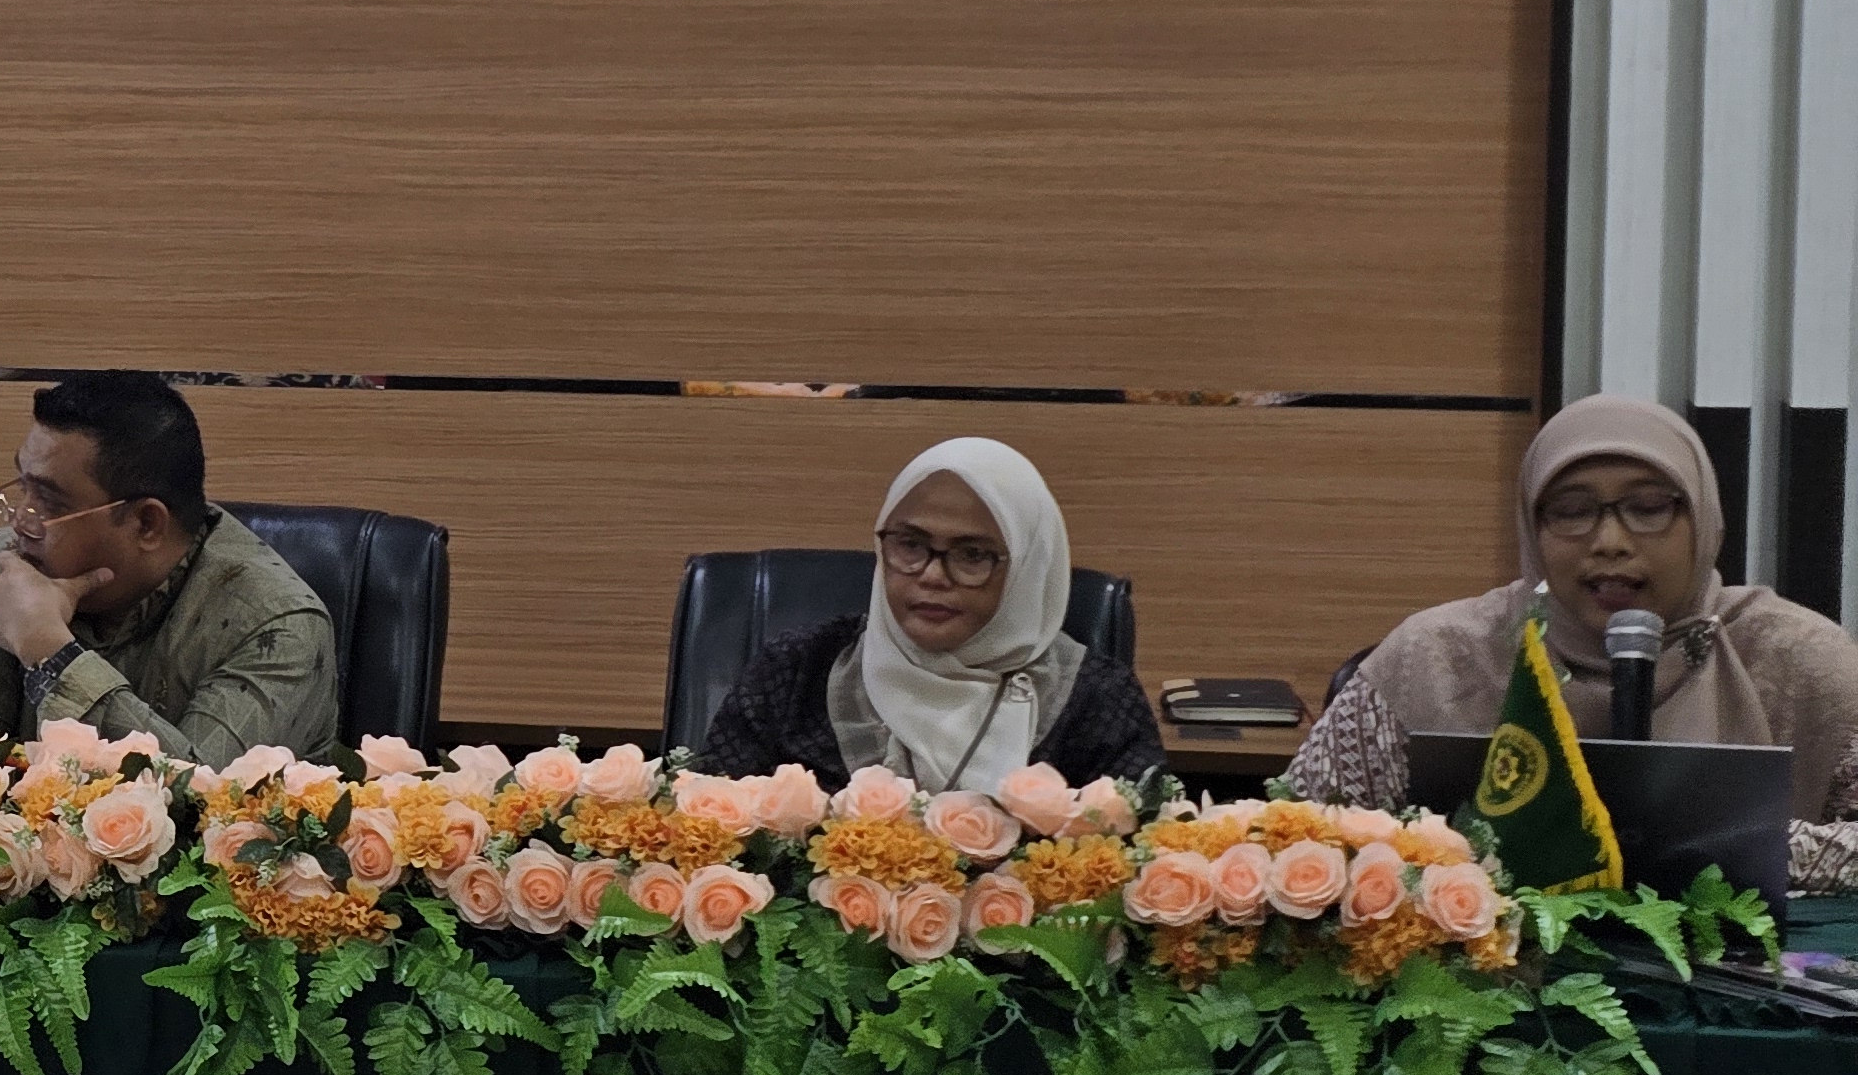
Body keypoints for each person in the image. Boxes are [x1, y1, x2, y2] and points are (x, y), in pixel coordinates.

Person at [1289, 393, 1858, 886]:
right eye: (1570, 512)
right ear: (1532, 528)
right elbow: (1290, 833)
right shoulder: (1439, 656)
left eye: (1648, 508)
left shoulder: (1796, 659)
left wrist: (1744, 850)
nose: (1609, 541)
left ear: (1703, 519)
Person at [0, 372, 336, 763]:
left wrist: (50, 652)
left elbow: (198, 801)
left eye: (49, 501)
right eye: (23, 487)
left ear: (146, 524)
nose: (21, 522)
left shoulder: (278, 626)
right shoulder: (1, 569)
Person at [700, 434, 1162, 789]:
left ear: (1026, 568)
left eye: (972, 554)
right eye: (911, 545)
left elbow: (1138, 858)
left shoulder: (1097, 701)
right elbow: (702, 833)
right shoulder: (797, 673)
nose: (933, 576)